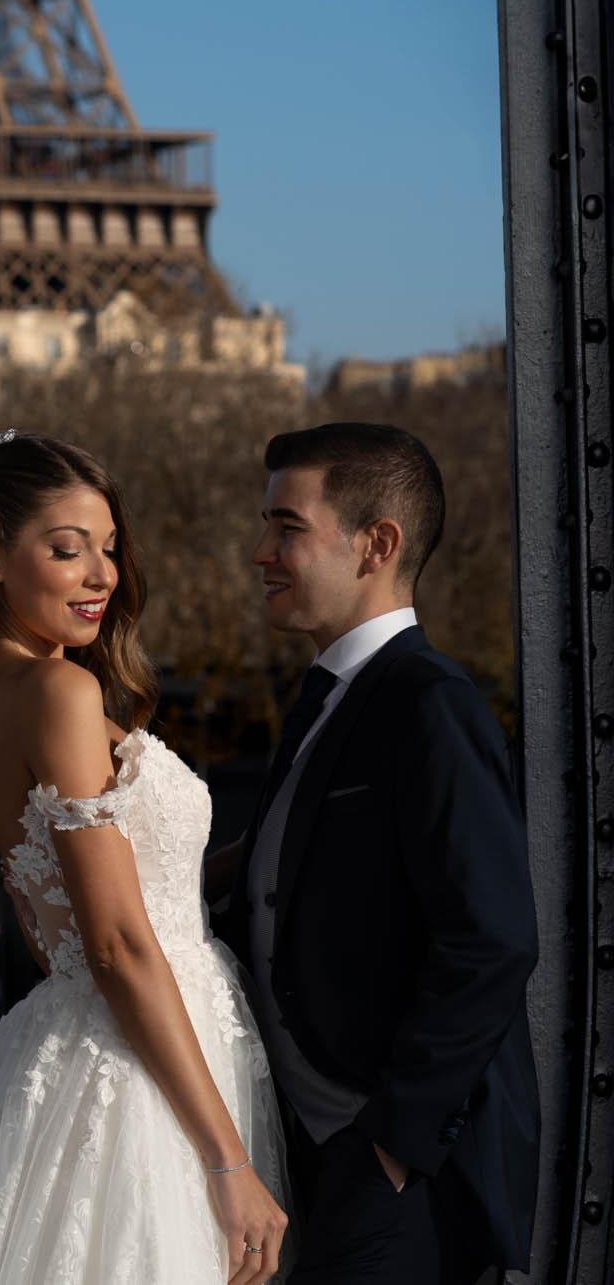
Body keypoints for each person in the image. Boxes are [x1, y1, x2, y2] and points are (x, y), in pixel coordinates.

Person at [0, 430, 289, 1285]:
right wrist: (226, 1159)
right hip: (144, 1071)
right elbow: (111, 944)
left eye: (109, 550)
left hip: (101, 1044)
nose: (102, 575)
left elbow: (54, 933)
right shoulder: (60, 692)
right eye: (68, 550)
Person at [209, 423, 538, 1283]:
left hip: (397, 1171)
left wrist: (391, 1141)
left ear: (376, 544)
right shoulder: (324, 698)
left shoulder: (432, 704)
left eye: (287, 526)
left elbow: (493, 939)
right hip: (308, 1154)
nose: (260, 552)